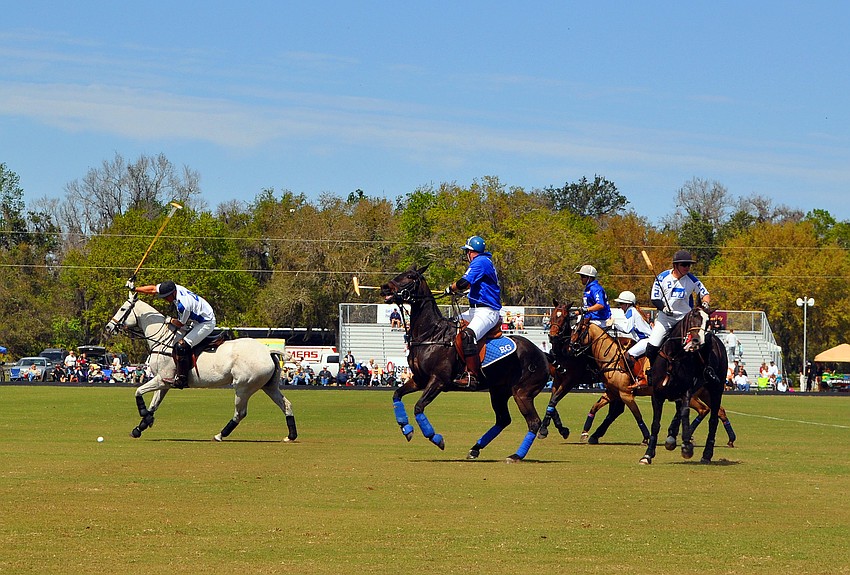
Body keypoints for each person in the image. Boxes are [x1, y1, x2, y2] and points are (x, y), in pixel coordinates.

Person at [642, 250, 711, 389]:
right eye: (684, 265)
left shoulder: (691, 279)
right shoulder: (662, 278)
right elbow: (654, 298)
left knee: (703, 340)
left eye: (689, 265)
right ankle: (652, 372)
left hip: (685, 319)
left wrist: (705, 304)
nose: (687, 268)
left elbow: (705, 293)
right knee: (652, 346)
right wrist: (663, 308)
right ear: (675, 265)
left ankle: (705, 371)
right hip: (665, 318)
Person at [132, 280, 216, 388]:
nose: (166, 299)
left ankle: (182, 379)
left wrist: (170, 320)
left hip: (206, 322)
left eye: (167, 297)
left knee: (181, 346)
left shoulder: (183, 305)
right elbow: (153, 289)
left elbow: (180, 323)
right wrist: (135, 288)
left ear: (173, 293)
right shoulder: (174, 287)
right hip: (198, 316)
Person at [444, 235, 502, 389]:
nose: (466, 255)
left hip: (487, 311)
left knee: (467, 335)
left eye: (467, 252)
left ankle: (472, 375)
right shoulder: (482, 262)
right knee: (449, 325)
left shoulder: (480, 262)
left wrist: (450, 288)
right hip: (475, 310)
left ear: (471, 252)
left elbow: (463, 283)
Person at [612, 290, 652, 389]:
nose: (620, 306)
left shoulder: (631, 311)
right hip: (645, 339)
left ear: (627, 304)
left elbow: (627, 329)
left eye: (621, 304)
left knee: (628, 355)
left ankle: (641, 378)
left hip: (646, 339)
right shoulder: (633, 311)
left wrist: (614, 324)